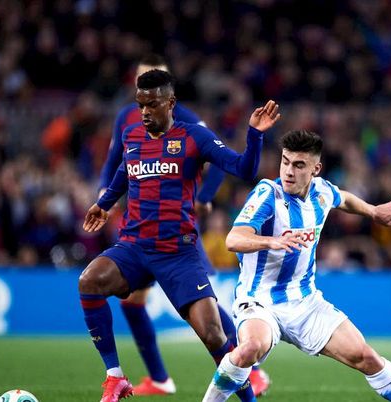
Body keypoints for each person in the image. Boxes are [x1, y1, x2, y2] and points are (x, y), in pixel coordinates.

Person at [81, 69, 280, 402]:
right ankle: (115, 377)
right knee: (89, 281)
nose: (145, 112)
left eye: (152, 105)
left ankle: (249, 398)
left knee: (214, 336)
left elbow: (243, 169)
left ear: (170, 103)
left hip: (178, 253)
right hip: (134, 247)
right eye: (140, 105)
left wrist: (255, 135)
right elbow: (124, 172)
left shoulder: (194, 137)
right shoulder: (132, 136)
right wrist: (103, 204)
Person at [202, 130, 391, 402]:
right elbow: (233, 239)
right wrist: (272, 241)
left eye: (299, 165)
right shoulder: (268, 194)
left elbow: (344, 198)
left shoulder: (322, 191)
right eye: (285, 162)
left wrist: (373, 211)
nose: (288, 171)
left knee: (366, 356)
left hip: (305, 302)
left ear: (315, 169)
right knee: (249, 348)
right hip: (260, 300)